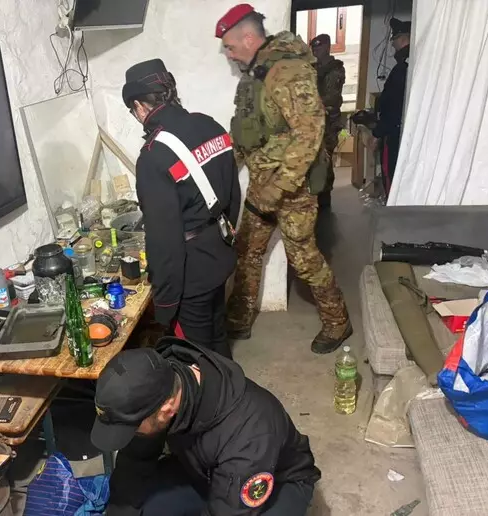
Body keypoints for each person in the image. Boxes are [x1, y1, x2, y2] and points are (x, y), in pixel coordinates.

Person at [217, 4, 351, 354]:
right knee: (247, 250)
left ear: (249, 38)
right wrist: (222, 168)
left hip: (293, 188)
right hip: (263, 184)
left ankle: (338, 321)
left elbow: (310, 134)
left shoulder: (288, 70)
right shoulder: (255, 75)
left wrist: (278, 187)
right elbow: (248, 131)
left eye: (230, 46)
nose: (228, 54)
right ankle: (239, 317)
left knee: (304, 259)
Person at [92, 337, 321, 515]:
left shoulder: (249, 435)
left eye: (132, 428)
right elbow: (135, 460)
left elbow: (229, 511)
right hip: (202, 468)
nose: (131, 434)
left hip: (276, 482)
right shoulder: (160, 382)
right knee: (140, 506)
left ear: (166, 410)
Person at [122, 59, 241, 359]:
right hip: (219, 252)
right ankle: (232, 384)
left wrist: (164, 304)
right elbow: (233, 192)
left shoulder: (153, 156)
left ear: (139, 106)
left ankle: (218, 389)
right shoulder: (210, 125)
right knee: (217, 334)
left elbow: (164, 240)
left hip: (190, 274)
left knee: (196, 358)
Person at [372, 18, 411, 194]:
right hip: (403, 130)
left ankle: (393, 206)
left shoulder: (403, 68)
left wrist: (377, 133)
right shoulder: (410, 64)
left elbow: (393, 106)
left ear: (403, 39)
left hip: (395, 132)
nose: (392, 44)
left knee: (392, 174)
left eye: (394, 39)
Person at [309, 34, 345, 210]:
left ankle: (325, 199)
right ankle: (315, 195)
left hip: (329, 122)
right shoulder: (312, 68)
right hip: (314, 122)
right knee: (314, 160)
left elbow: (331, 96)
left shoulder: (335, 69)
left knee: (325, 159)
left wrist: (312, 103)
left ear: (327, 47)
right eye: (314, 48)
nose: (316, 50)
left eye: (319, 47)